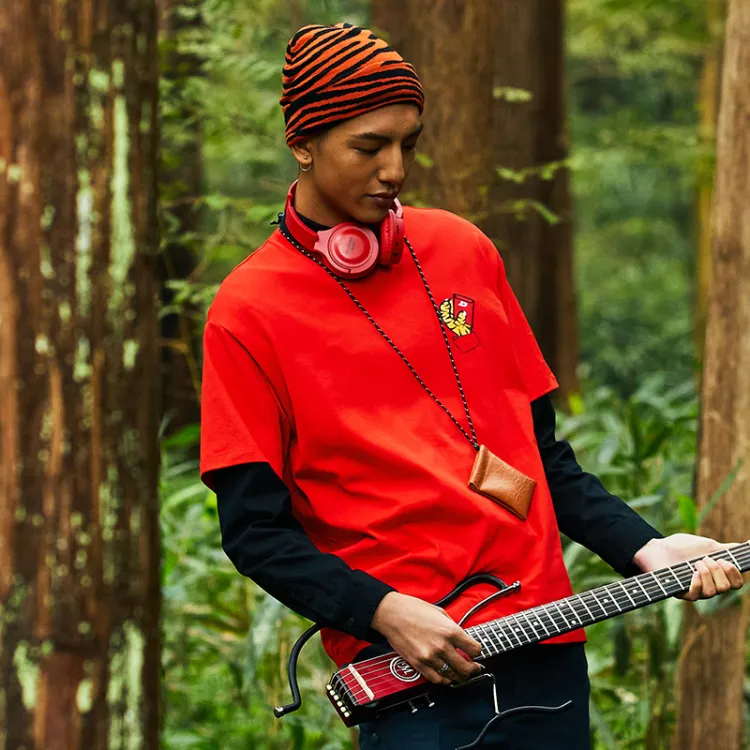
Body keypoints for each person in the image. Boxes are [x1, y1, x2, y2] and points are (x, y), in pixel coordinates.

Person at [199, 22, 744, 750]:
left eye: (408, 144)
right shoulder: (248, 310)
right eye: (368, 147)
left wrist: (646, 549)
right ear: (303, 143)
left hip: (547, 657)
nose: (394, 170)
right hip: (408, 677)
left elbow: (545, 461)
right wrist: (382, 610)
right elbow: (256, 533)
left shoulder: (463, 250)